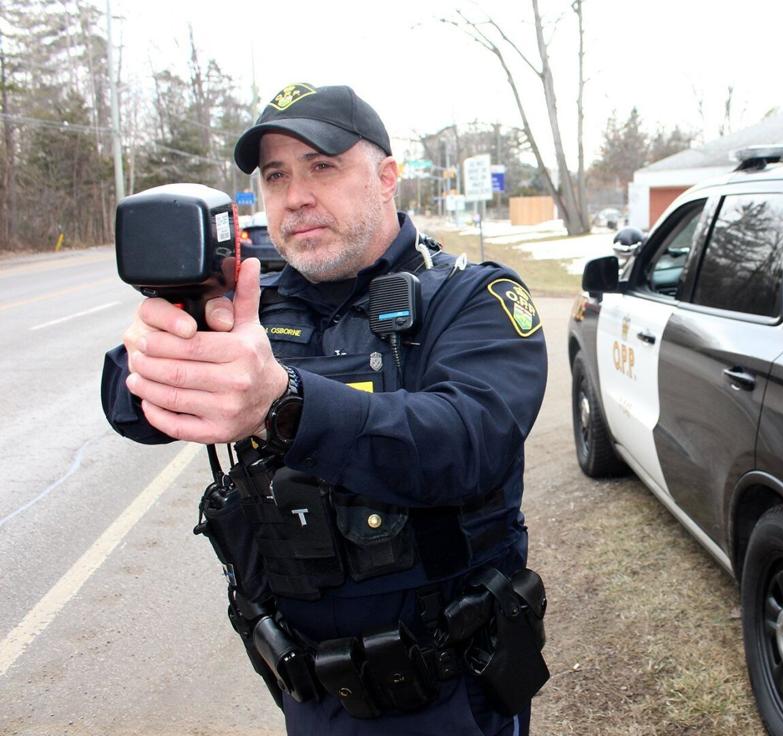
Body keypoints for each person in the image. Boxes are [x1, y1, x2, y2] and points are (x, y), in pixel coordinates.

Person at [100, 83, 549, 735]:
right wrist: (166, 338)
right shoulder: (252, 305)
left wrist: (283, 403)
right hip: (313, 697)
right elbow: (125, 402)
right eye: (276, 176)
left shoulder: (473, 299)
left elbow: (466, 443)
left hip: (455, 694)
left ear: (387, 177)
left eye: (323, 166)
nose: (297, 195)